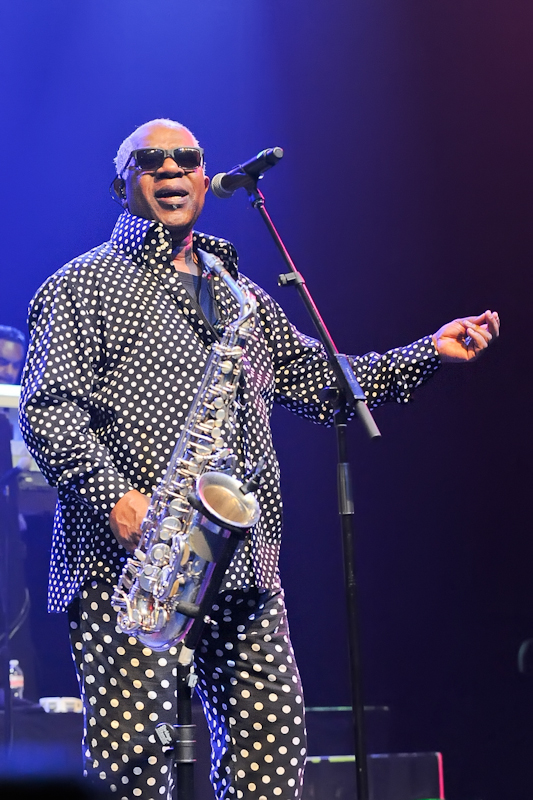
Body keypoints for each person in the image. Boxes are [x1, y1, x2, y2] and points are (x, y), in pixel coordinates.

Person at [18, 118, 500, 800]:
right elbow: (47, 408)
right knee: (133, 769)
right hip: (131, 568)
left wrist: (427, 352)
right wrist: (114, 496)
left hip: (240, 566)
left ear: (204, 176)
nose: (169, 169)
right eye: (150, 159)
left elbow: (321, 382)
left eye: (185, 158)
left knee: (271, 757)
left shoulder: (238, 290)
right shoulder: (82, 285)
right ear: (120, 181)